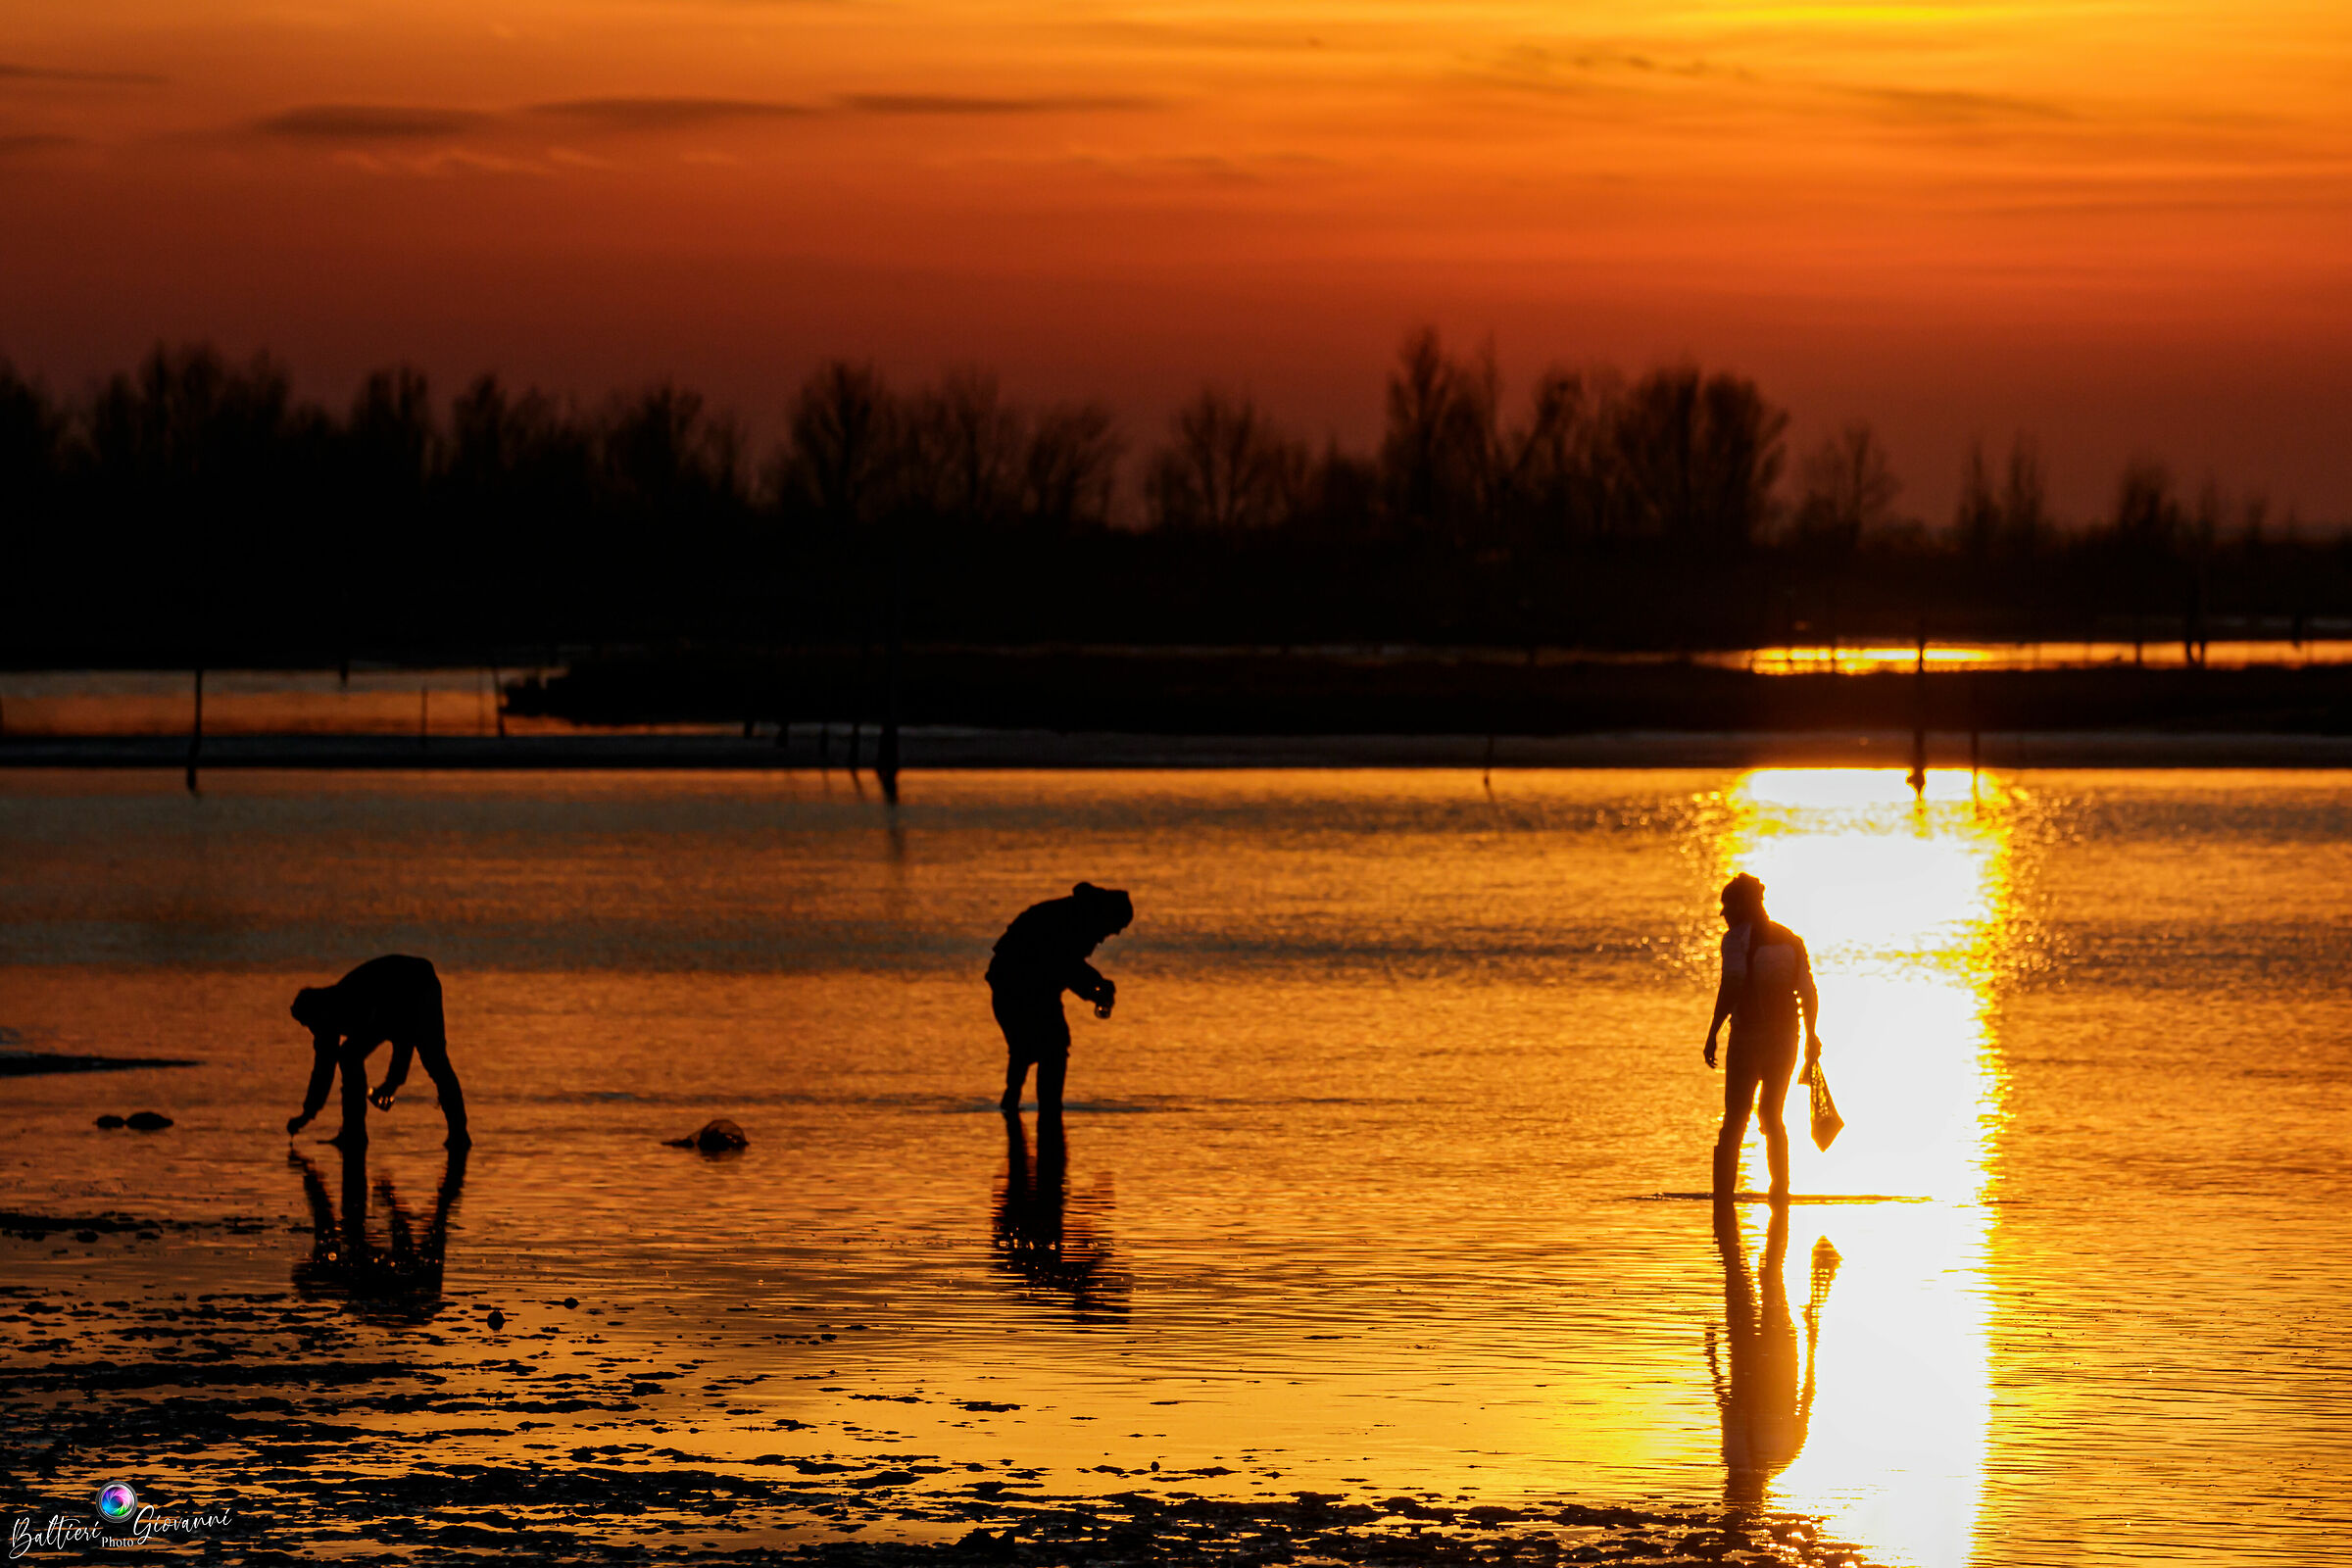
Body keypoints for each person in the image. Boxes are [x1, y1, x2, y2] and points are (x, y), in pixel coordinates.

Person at [1702, 873, 1820, 1202]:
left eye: (1728, 908)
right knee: (1772, 1115)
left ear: (1742, 905)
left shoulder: (1735, 939)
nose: (1726, 915)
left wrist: (1713, 1032)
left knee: (1735, 1119)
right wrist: (1811, 1036)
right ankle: (1779, 1194)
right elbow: (1808, 993)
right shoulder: (1792, 941)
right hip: (1787, 1040)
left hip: (1747, 1039)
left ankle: (1722, 1201)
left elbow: (1733, 985)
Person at [286, 955, 469, 1148]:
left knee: (435, 1060)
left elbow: (404, 1033)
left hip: (418, 983)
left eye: (309, 1023)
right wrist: (307, 1114)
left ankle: (459, 1134)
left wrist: (392, 1082)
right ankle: (353, 1132)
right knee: (349, 1055)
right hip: (389, 1002)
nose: (311, 1029)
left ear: (319, 1012)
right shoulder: (327, 1021)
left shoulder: (352, 1001)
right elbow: (323, 1068)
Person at [986, 882, 1132, 1115]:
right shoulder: (1074, 921)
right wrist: (1096, 988)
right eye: (1112, 929)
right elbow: (1065, 966)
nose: (1105, 939)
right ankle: (1046, 1111)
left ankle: (1019, 1107)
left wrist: (1096, 986)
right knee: (1050, 1046)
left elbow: (1067, 966)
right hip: (1015, 982)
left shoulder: (1074, 914)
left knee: (1032, 1047)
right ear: (1105, 916)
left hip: (1021, 982)